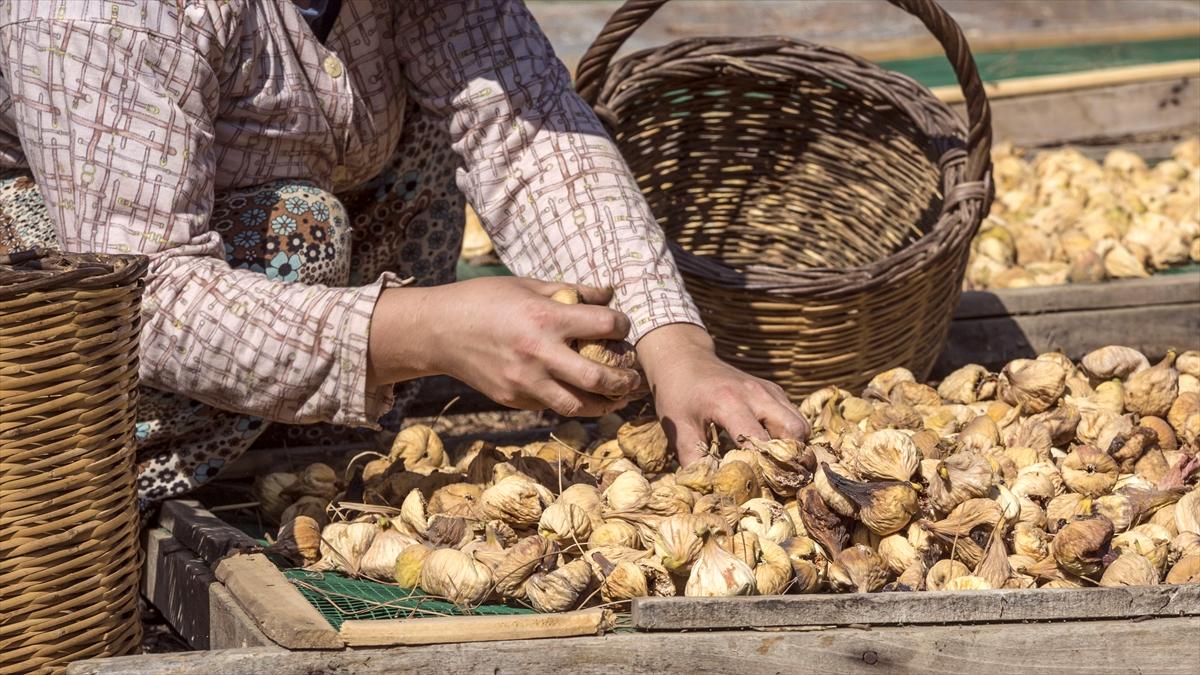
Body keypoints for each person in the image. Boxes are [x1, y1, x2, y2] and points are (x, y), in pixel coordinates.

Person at [0, 0, 808, 509]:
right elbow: (145, 292)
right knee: (299, 231)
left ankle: (291, 440)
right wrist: (426, 331)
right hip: (62, 314)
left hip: (255, 242)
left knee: (433, 118)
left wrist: (676, 346)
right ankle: (125, 493)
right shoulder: (98, 12)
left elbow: (524, 135)